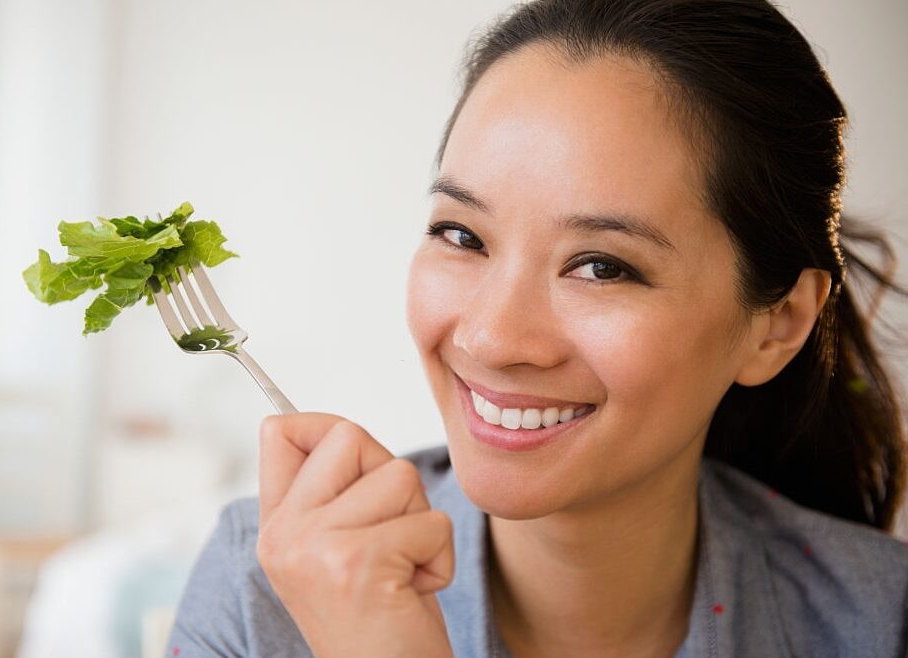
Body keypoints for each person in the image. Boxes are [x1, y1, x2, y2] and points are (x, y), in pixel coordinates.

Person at [166, 1, 908, 656]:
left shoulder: (881, 620)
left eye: (602, 267)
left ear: (777, 324)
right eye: (462, 236)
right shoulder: (260, 592)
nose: (489, 338)